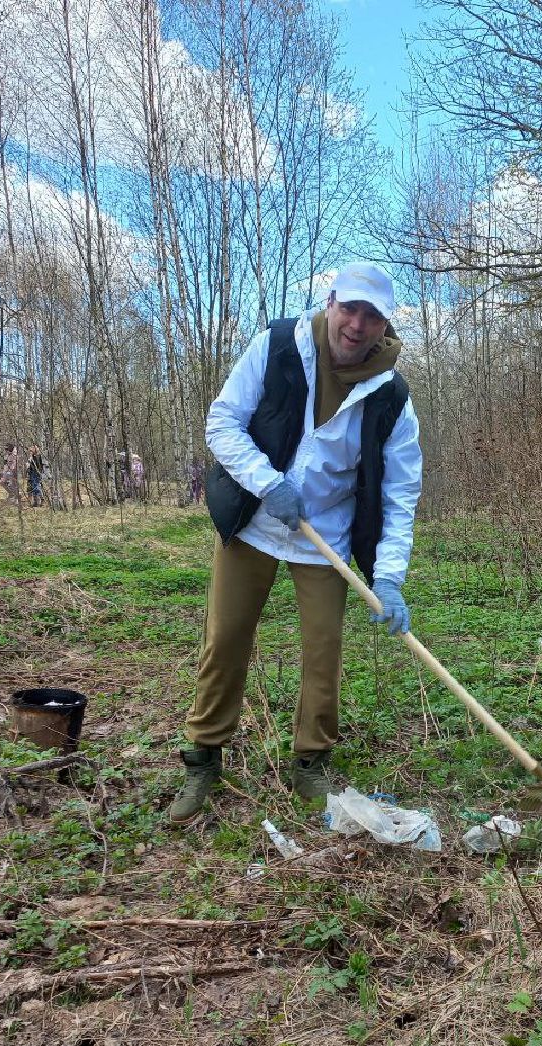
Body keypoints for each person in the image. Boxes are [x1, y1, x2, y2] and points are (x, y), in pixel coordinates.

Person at [168, 262, 422, 824]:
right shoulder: (279, 346)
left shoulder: (391, 395)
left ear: (385, 325)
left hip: (325, 534)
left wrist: (389, 576)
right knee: (226, 638)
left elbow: (401, 492)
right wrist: (268, 482)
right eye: (349, 308)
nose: (357, 324)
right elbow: (222, 423)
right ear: (330, 303)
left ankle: (310, 760)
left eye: (372, 316)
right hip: (256, 518)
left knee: (323, 650)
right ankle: (203, 757)